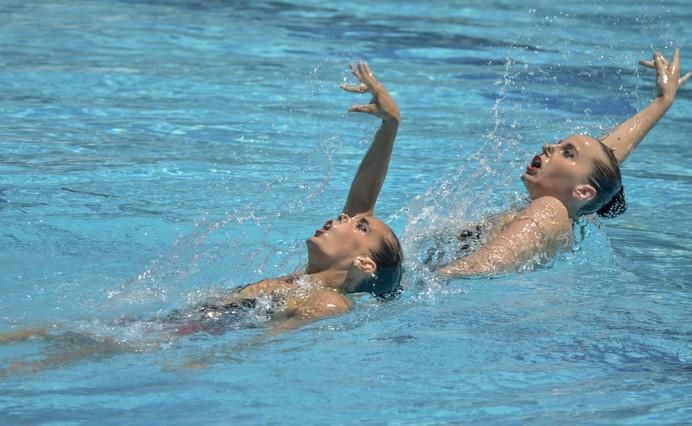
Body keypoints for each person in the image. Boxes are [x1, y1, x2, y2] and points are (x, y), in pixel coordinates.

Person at [0, 62, 403, 373]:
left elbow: (267, 342)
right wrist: (390, 125)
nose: (343, 217)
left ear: (364, 263)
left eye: (359, 227)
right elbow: (363, 202)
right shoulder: (306, 279)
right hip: (161, 324)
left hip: (178, 337)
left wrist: (208, 361)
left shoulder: (327, 303)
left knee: (30, 367)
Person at [438, 49, 690, 277]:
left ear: (582, 191)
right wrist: (662, 102)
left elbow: (492, 261)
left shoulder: (549, 209)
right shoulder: (573, 211)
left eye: (567, 153)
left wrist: (435, 278)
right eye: (560, 144)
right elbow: (605, 164)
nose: (549, 146)